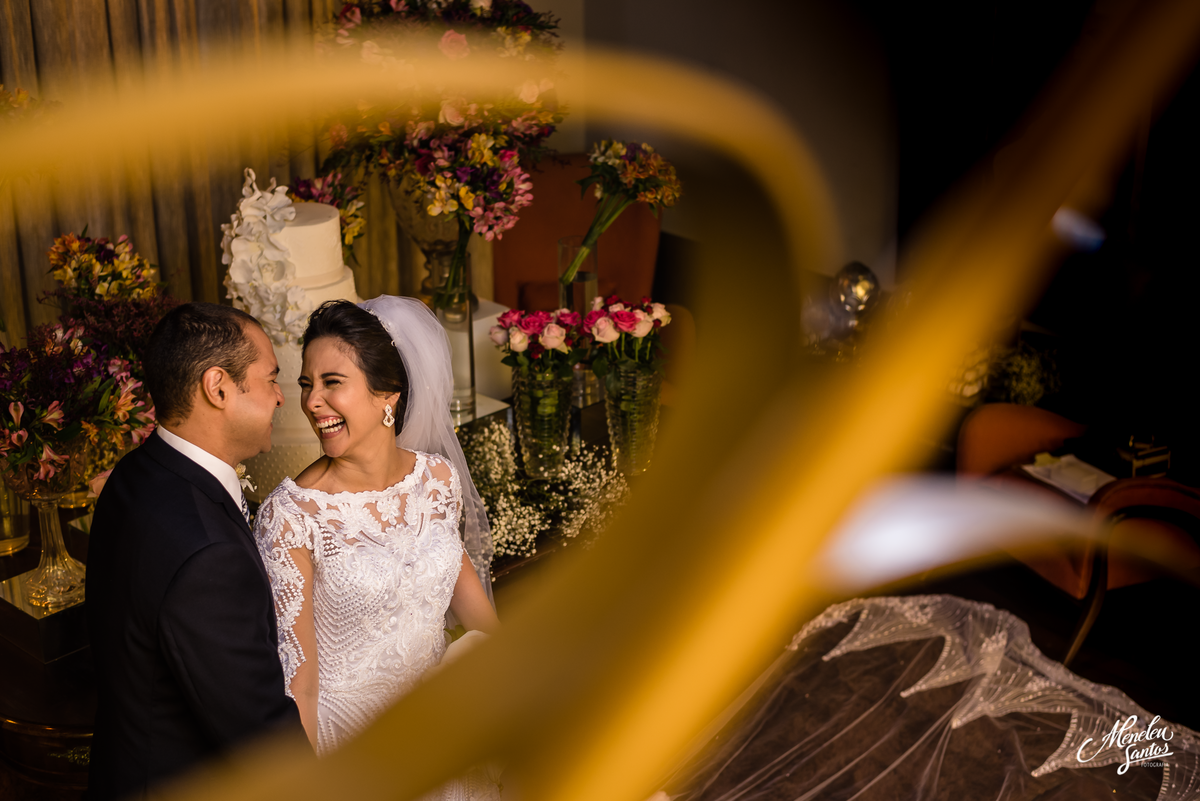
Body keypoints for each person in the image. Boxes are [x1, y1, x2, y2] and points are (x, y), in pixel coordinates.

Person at [253, 296, 499, 760]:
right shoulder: (291, 516)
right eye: (306, 384)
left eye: (332, 382)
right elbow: (299, 686)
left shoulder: (436, 480)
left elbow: (482, 621)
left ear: (388, 393)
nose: (311, 402)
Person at [86, 303, 306, 800]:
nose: (280, 397)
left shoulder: (134, 474)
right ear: (218, 388)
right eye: (271, 379)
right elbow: (264, 743)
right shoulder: (210, 556)